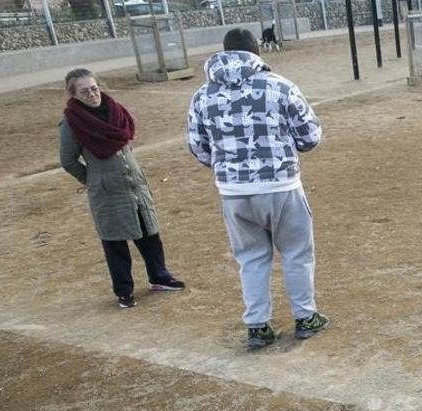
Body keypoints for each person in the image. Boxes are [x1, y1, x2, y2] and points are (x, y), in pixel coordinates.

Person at [187, 28, 327, 349]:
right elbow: (310, 136)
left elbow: (198, 148)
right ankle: (305, 317)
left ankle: (257, 326)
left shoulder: (202, 96)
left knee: (250, 259)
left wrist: (229, 167)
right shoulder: (280, 86)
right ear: (257, 52)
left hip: (234, 194)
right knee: (296, 254)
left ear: (223, 53)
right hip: (282, 186)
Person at [59, 68, 185, 308]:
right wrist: (93, 179)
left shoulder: (115, 111)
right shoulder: (72, 123)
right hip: (106, 191)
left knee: (150, 232)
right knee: (115, 242)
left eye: (94, 88)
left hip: (134, 184)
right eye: (84, 91)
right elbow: (68, 160)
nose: (92, 94)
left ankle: (159, 276)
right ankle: (124, 291)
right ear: (73, 94)